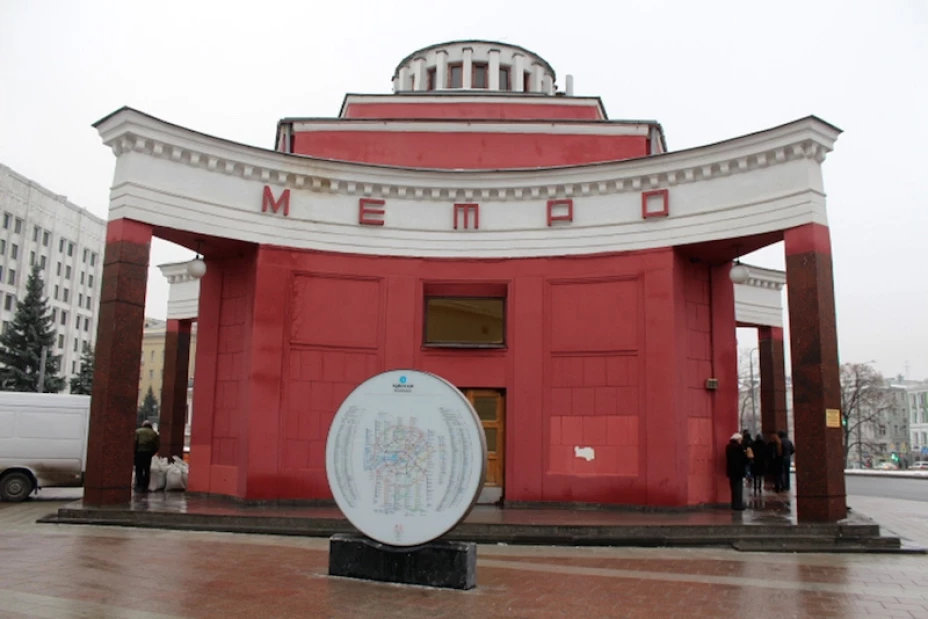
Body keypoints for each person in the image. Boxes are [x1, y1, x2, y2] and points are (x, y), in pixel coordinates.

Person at [134, 420, 160, 492]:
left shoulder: (138, 431)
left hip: (139, 452)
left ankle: (139, 485)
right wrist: (152, 453)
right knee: (146, 469)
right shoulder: (154, 433)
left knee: (138, 469)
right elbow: (157, 445)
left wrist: (134, 452)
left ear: (143, 425)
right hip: (148, 453)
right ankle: (145, 486)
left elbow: (135, 442)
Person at [725, 432, 748, 511]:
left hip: (731, 470)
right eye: (740, 439)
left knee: (733, 488)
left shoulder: (728, 447)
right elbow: (744, 459)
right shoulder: (740, 448)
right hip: (739, 471)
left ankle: (734, 504)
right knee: (738, 488)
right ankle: (738, 505)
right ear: (738, 439)